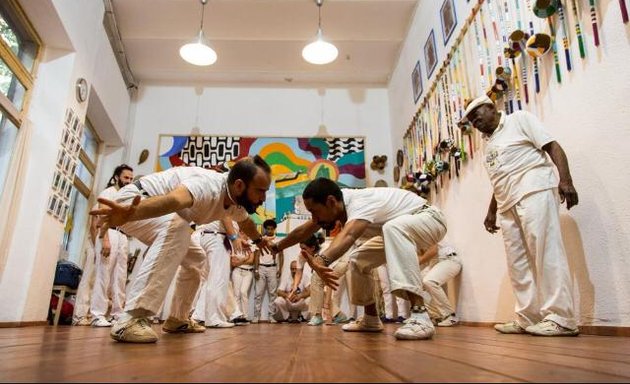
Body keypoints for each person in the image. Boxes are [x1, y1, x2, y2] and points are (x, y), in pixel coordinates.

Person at [91, 156, 273, 343]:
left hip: (148, 209)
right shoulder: (207, 186)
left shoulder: (236, 202)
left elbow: (246, 223)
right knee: (178, 226)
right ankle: (131, 319)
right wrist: (130, 212)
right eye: (260, 191)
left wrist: (258, 240)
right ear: (240, 185)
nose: (264, 198)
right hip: (134, 203)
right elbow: (173, 201)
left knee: (197, 258)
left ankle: (177, 318)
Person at [459, 95, 579, 336]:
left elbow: (552, 145)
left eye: (476, 115)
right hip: (507, 205)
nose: (475, 123)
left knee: (547, 252)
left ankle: (562, 318)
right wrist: (491, 211)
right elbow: (500, 178)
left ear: (491, 107)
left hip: (534, 190)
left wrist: (565, 180)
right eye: (471, 121)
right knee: (517, 264)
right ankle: (528, 317)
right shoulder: (489, 143)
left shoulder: (519, 119)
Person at [273, 177, 447, 340]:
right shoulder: (336, 206)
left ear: (331, 202)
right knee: (358, 260)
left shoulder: (359, 202)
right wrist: (277, 247)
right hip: (396, 230)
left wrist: (320, 261)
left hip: (430, 219)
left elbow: (349, 236)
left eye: (315, 212)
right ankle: (371, 318)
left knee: (392, 227)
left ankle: (421, 316)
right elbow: (303, 231)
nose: (314, 218)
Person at [89, 164, 134, 327]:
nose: (128, 181)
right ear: (117, 178)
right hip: (109, 233)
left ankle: (117, 313)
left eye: (131, 178)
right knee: (104, 273)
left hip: (123, 235)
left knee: (120, 277)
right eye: (125, 178)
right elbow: (101, 217)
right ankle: (97, 314)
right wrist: (105, 239)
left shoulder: (126, 196)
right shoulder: (108, 193)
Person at [192, 218, 245, 328]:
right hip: (217, 237)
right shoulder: (230, 201)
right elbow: (225, 216)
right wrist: (234, 238)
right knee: (218, 279)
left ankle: (200, 315)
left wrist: (237, 238)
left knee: (209, 280)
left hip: (207, 236)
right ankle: (214, 318)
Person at [291, 232, 349, 326]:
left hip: (342, 262)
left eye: (304, 248)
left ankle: (317, 316)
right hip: (327, 268)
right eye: (300, 248)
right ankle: (339, 315)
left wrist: (326, 305)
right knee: (319, 290)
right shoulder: (302, 254)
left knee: (316, 278)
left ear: (313, 248)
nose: (302, 251)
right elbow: (298, 272)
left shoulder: (325, 251)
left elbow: (328, 276)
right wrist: (294, 287)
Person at [418, 241, 462, 327]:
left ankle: (450, 316)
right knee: (416, 284)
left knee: (429, 281)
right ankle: (436, 316)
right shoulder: (413, 239)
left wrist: (417, 260)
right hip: (434, 263)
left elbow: (433, 250)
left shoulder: (425, 229)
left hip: (449, 259)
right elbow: (421, 254)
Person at [251, 219, 283, 323]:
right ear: (265, 229)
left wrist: (280, 269)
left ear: (274, 229)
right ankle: (256, 316)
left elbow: (281, 256)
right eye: (268, 228)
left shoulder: (278, 240)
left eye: (271, 228)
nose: (269, 230)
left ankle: (271, 316)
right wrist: (255, 270)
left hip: (273, 268)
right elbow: (256, 255)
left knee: (273, 293)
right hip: (261, 267)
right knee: (258, 293)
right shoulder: (261, 240)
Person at [230, 230, 255, 324]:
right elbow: (233, 262)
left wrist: (240, 261)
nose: (245, 234)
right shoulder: (234, 244)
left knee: (243, 292)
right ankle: (237, 315)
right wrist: (244, 259)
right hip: (237, 271)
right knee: (236, 294)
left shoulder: (251, 245)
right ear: (239, 233)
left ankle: (244, 316)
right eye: (243, 232)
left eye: (246, 232)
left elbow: (251, 260)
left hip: (248, 272)